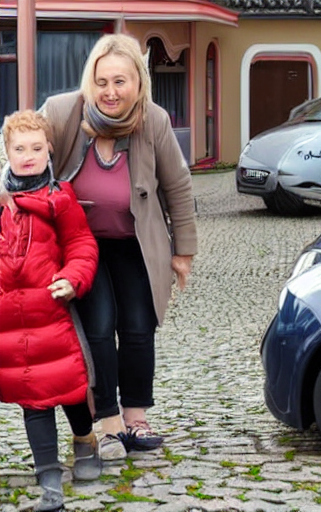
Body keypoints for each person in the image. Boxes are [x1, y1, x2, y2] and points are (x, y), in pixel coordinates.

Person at [39, 33, 198, 460]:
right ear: (90, 80)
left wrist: (182, 252)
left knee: (138, 327)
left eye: (121, 82)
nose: (110, 92)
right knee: (98, 326)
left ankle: (136, 416)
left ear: (138, 83)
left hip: (134, 241)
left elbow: (178, 187)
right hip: (80, 246)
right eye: (103, 81)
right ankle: (107, 422)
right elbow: (24, 159)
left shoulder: (154, 120)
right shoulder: (60, 112)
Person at [0, 110, 101, 512]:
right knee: (33, 399)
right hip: (11, 322)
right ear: (6, 151)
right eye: (19, 148)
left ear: (49, 151)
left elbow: (82, 244)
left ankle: (85, 440)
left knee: (71, 388)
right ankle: (49, 478)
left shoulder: (60, 199)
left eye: (36, 148)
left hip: (53, 312)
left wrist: (73, 277)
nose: (28, 155)